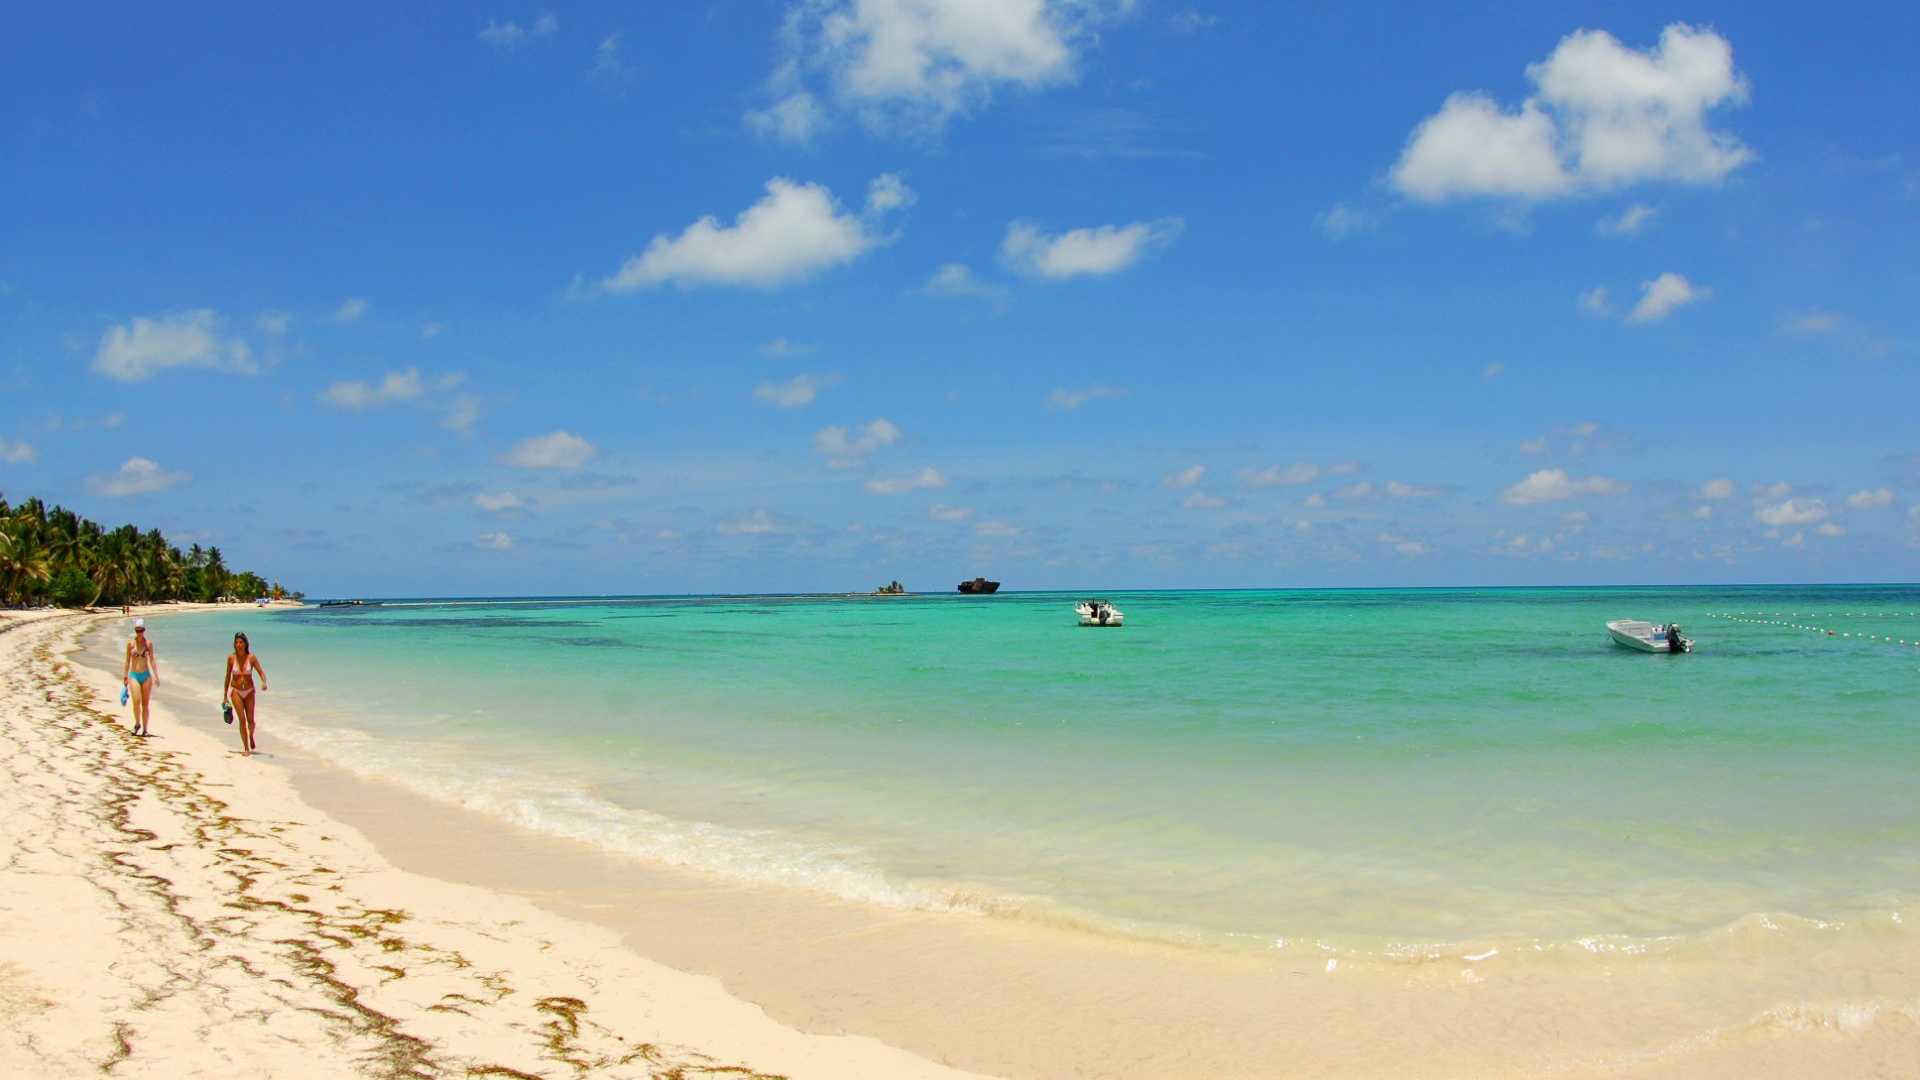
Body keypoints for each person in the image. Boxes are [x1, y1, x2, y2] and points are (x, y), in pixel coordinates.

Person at [225, 632, 268, 756]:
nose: (238, 645)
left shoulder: (252, 658)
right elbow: (227, 677)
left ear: (245, 644)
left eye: (241, 642)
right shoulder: (231, 658)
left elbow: (261, 672)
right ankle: (246, 748)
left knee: (251, 722)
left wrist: (264, 682)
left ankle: (251, 735)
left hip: (249, 692)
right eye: (236, 642)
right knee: (242, 720)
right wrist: (224, 697)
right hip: (236, 691)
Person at [122, 618, 159, 736]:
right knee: (136, 702)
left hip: (146, 676)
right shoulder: (130, 644)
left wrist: (156, 676)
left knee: (145, 704)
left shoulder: (148, 644)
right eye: (137, 630)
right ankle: (137, 724)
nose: (139, 633)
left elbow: (152, 660)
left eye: (141, 630)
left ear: (144, 630)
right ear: (135, 630)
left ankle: (145, 729)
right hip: (134, 676)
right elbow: (127, 661)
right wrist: (125, 675)